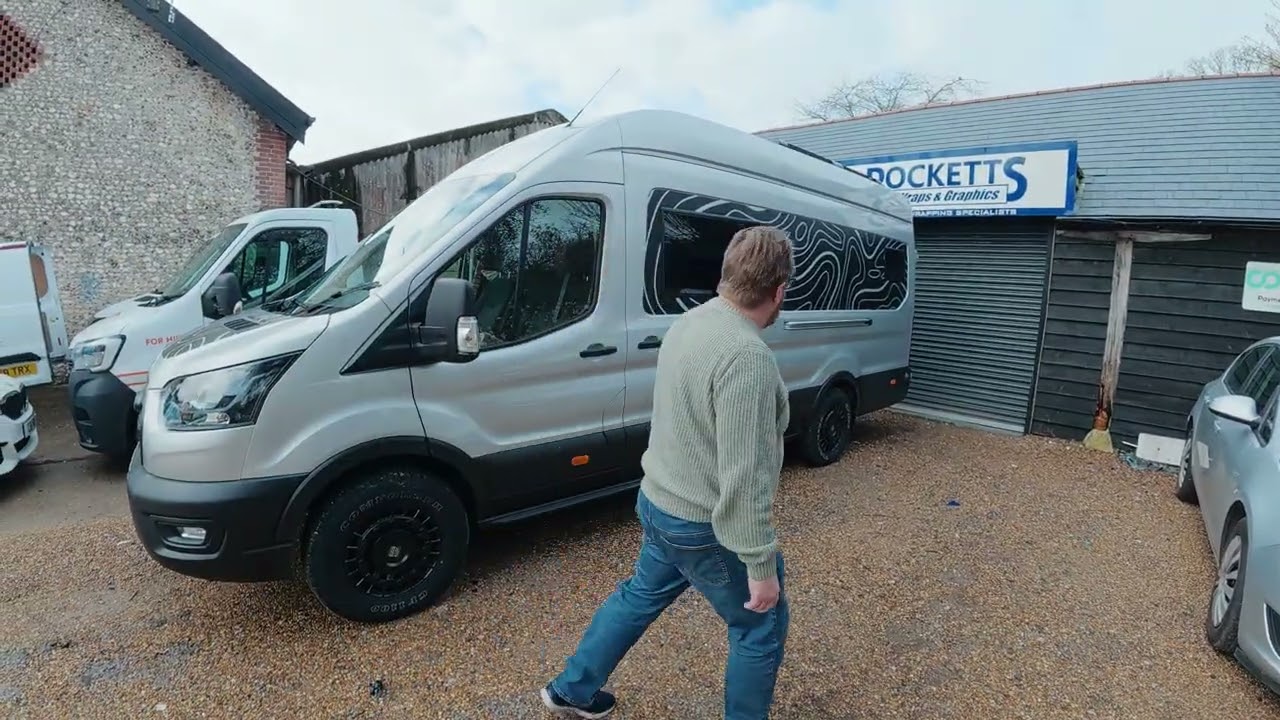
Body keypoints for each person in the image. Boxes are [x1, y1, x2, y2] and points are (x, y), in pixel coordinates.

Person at [540, 225, 796, 719]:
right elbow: (744, 480)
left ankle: (571, 689)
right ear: (779, 291)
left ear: (727, 276)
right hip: (705, 525)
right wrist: (761, 568)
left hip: (659, 504)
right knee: (758, 629)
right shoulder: (747, 358)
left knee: (637, 596)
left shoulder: (690, 323)